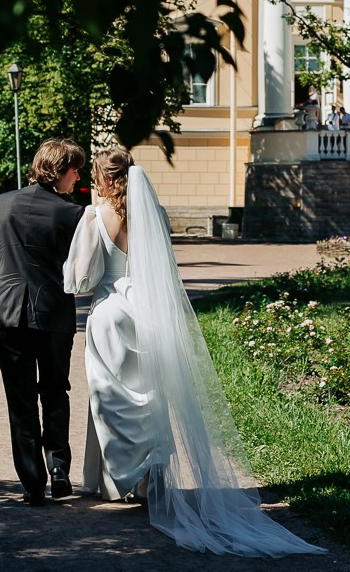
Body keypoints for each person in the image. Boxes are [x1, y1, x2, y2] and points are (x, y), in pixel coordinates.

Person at [64, 147, 326, 556]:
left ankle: (116, 482)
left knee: (111, 398)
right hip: (148, 313)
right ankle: (151, 479)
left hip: (111, 314)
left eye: (96, 175)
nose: (93, 182)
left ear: (106, 179)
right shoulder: (156, 214)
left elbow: (80, 279)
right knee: (152, 395)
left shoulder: (95, 217)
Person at [0, 138, 87, 507]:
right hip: (53, 311)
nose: (78, 178)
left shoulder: (0, 203)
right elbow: (80, 267)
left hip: (7, 311)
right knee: (56, 389)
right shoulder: (72, 213)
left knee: (20, 398)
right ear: (60, 169)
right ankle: (59, 469)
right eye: (75, 170)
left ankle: (32, 483)